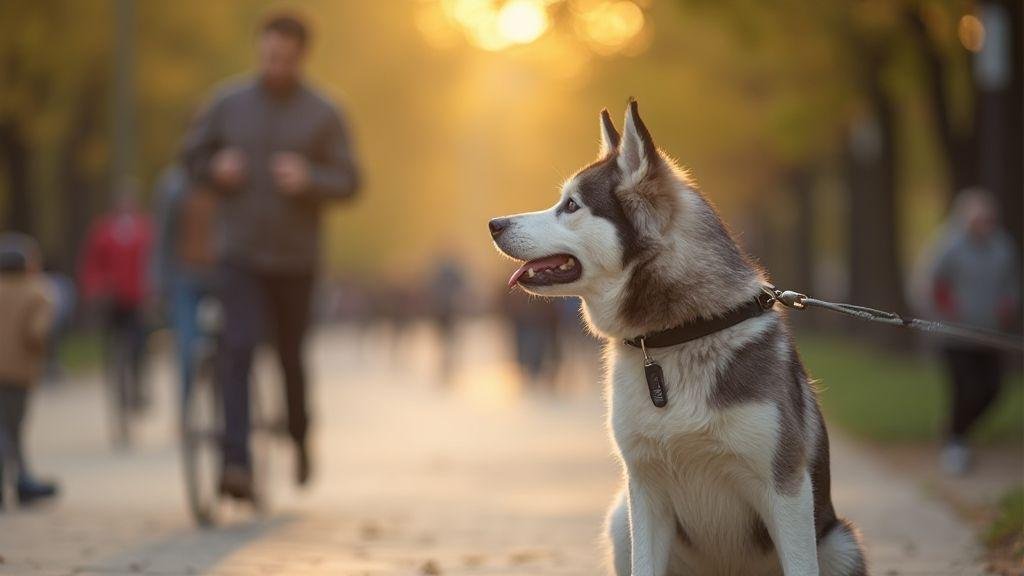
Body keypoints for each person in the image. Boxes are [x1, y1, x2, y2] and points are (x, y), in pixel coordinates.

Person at [181, 12, 361, 499]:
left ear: (301, 56)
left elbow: (350, 181)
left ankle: (300, 436)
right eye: (268, 56)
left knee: (289, 357)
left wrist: (311, 179)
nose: (274, 65)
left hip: (296, 259)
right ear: (259, 51)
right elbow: (190, 159)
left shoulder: (324, 112)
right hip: (238, 253)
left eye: (284, 58)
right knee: (235, 349)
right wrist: (214, 167)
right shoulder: (227, 104)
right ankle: (234, 462)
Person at [922, 188, 1020, 475]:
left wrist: (1008, 306)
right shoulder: (948, 245)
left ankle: (957, 429)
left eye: (988, 219)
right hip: (955, 337)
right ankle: (955, 442)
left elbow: (1011, 284)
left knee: (993, 390)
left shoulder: (1003, 246)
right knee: (966, 390)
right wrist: (948, 310)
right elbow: (932, 284)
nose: (983, 224)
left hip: (990, 335)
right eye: (978, 218)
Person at [79, 185, 154, 422]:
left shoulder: (145, 230)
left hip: (137, 296)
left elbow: (153, 261)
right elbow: (92, 263)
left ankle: (138, 385)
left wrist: (152, 290)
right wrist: (96, 288)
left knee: (141, 342)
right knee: (113, 342)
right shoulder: (103, 231)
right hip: (112, 298)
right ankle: (117, 385)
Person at [151, 164, 218, 415]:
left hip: (222, 276)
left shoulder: (229, 178)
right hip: (185, 276)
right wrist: (158, 284)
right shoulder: (174, 185)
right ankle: (186, 408)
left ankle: (226, 408)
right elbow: (162, 239)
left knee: (232, 345)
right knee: (187, 344)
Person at [0, 233, 59, 507]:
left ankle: (21, 478)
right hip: (17, 374)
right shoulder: (37, 292)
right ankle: (20, 480)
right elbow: (37, 332)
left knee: (5, 429)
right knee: (12, 427)